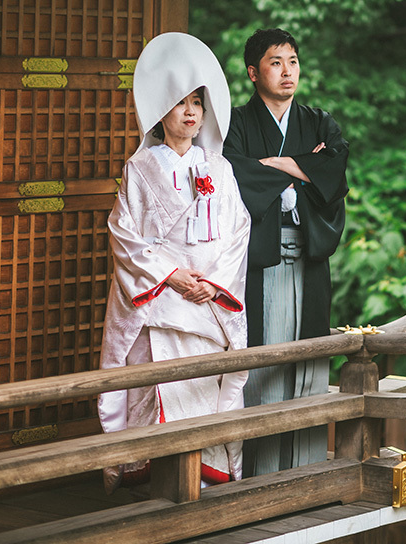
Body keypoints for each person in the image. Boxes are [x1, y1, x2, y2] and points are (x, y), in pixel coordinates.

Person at [98, 33, 251, 492]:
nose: (190, 111)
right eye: (180, 102)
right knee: (155, 390)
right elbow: (124, 234)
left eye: (197, 102)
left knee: (201, 393)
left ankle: (201, 486)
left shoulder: (219, 169)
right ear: (161, 109)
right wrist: (171, 274)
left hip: (207, 303)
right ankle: (150, 488)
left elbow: (238, 230)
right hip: (159, 303)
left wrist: (216, 283)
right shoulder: (139, 168)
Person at [223, 28, 348, 475]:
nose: (287, 71)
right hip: (263, 259)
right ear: (254, 72)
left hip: (310, 254)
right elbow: (232, 171)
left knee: (310, 364)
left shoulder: (319, 121)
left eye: (292, 61)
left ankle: (306, 475)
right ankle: (261, 479)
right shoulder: (236, 122)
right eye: (276, 62)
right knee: (268, 363)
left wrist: (271, 166)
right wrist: (301, 168)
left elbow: (335, 168)